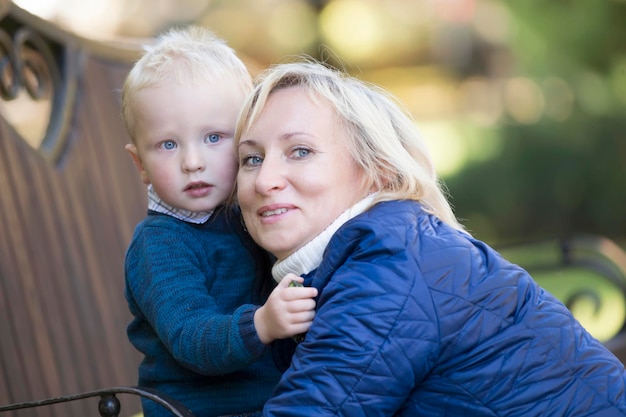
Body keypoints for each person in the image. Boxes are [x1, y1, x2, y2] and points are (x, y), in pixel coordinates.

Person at [234, 59, 626, 417]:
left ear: (377, 171)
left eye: (299, 151)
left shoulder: (388, 265)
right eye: (252, 159)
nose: (265, 181)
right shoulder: (367, 255)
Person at [121, 27, 317, 417]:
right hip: (199, 408)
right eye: (169, 144)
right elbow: (190, 337)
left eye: (213, 138)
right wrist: (262, 323)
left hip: (275, 399)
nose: (192, 161)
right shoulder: (160, 244)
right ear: (140, 164)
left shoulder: (246, 213)